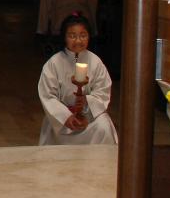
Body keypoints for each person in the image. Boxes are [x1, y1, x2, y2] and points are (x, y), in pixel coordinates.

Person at [38, 13, 117, 145]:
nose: (78, 41)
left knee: (103, 127)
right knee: (53, 126)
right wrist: (66, 116)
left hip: (88, 116)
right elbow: (48, 96)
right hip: (62, 119)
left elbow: (103, 92)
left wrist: (86, 102)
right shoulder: (54, 63)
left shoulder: (96, 62)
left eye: (83, 35)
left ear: (89, 36)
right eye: (72, 36)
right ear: (64, 37)